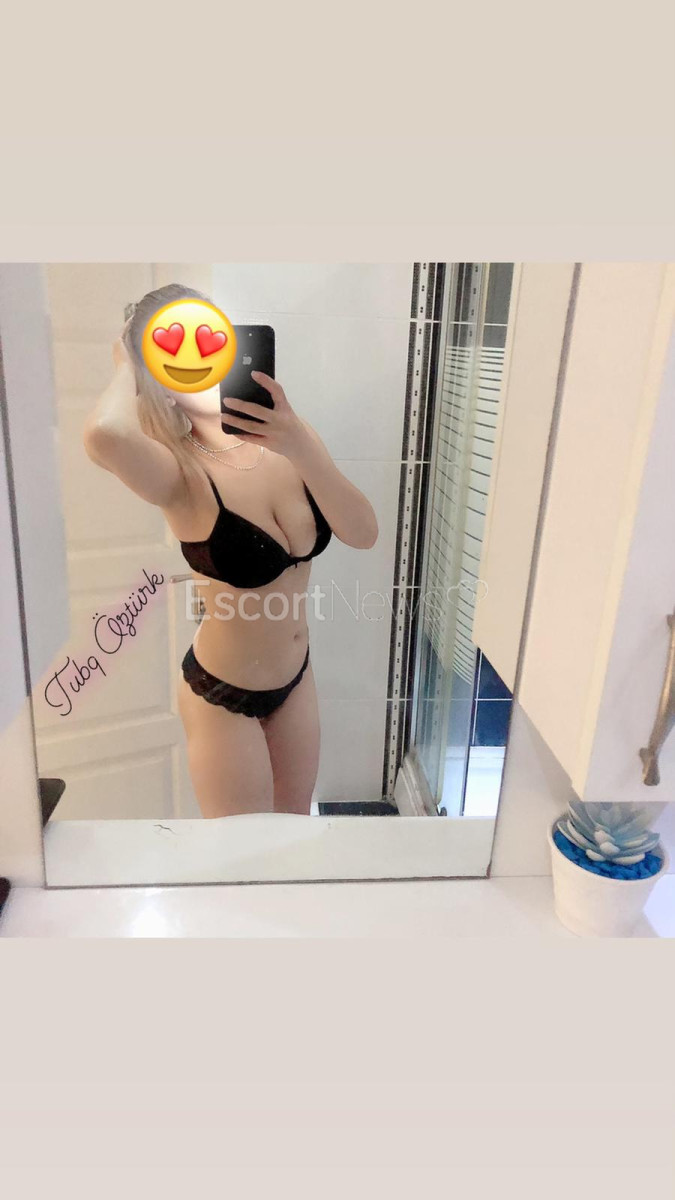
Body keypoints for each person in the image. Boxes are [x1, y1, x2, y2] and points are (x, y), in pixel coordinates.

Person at [83, 283, 378, 818]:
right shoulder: (178, 470)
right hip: (222, 695)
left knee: (293, 828)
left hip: (297, 677)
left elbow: (363, 533)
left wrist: (301, 446)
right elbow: (105, 434)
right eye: (171, 349)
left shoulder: (291, 438)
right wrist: (127, 361)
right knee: (241, 852)